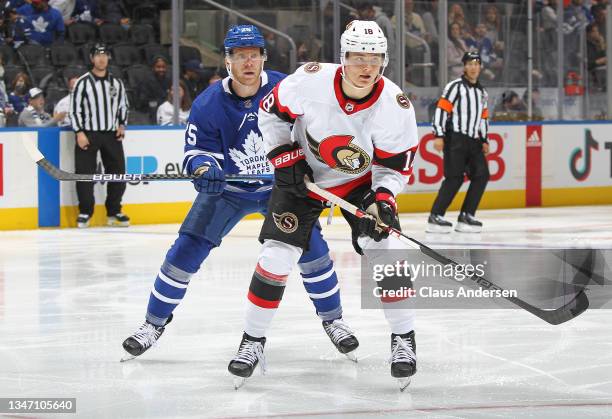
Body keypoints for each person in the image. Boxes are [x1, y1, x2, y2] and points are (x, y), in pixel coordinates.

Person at [121, 25, 359, 364]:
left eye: (254, 55)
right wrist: (205, 169)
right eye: (240, 56)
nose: (248, 62)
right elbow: (197, 151)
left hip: (281, 188)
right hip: (229, 192)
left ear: (263, 57)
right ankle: (152, 324)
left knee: (313, 251)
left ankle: (334, 320)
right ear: (227, 61)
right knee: (184, 253)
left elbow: (315, 129)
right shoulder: (208, 103)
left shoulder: (285, 87)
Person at [226, 20, 419, 389]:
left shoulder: (395, 105)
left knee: (387, 249)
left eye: (375, 58)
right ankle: (252, 341)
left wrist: (384, 200)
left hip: (359, 183)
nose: (367, 67)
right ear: (343, 57)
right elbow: (270, 113)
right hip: (302, 178)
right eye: (358, 57)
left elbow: (393, 165)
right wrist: (284, 156)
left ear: (385, 61)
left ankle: (404, 339)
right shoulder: (309, 81)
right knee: (276, 256)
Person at [427, 51, 490, 233]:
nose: (473, 67)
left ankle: (466, 216)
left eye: (476, 63)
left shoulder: (481, 92)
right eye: (470, 63)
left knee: (482, 175)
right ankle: (435, 216)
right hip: (456, 138)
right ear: (464, 67)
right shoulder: (455, 87)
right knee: (454, 178)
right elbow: (442, 110)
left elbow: (483, 117)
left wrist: (484, 138)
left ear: (480, 67)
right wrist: (438, 134)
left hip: (474, 140)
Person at [70, 42, 129, 228]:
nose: (101, 58)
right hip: (88, 134)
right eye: (97, 55)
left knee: (118, 173)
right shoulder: (82, 82)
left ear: (108, 58)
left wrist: (122, 124)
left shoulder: (116, 83)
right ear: (91, 58)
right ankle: (85, 212)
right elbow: (74, 109)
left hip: (112, 135)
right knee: (85, 175)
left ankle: (114, 212)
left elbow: (123, 105)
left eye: (104, 55)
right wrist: (79, 132)